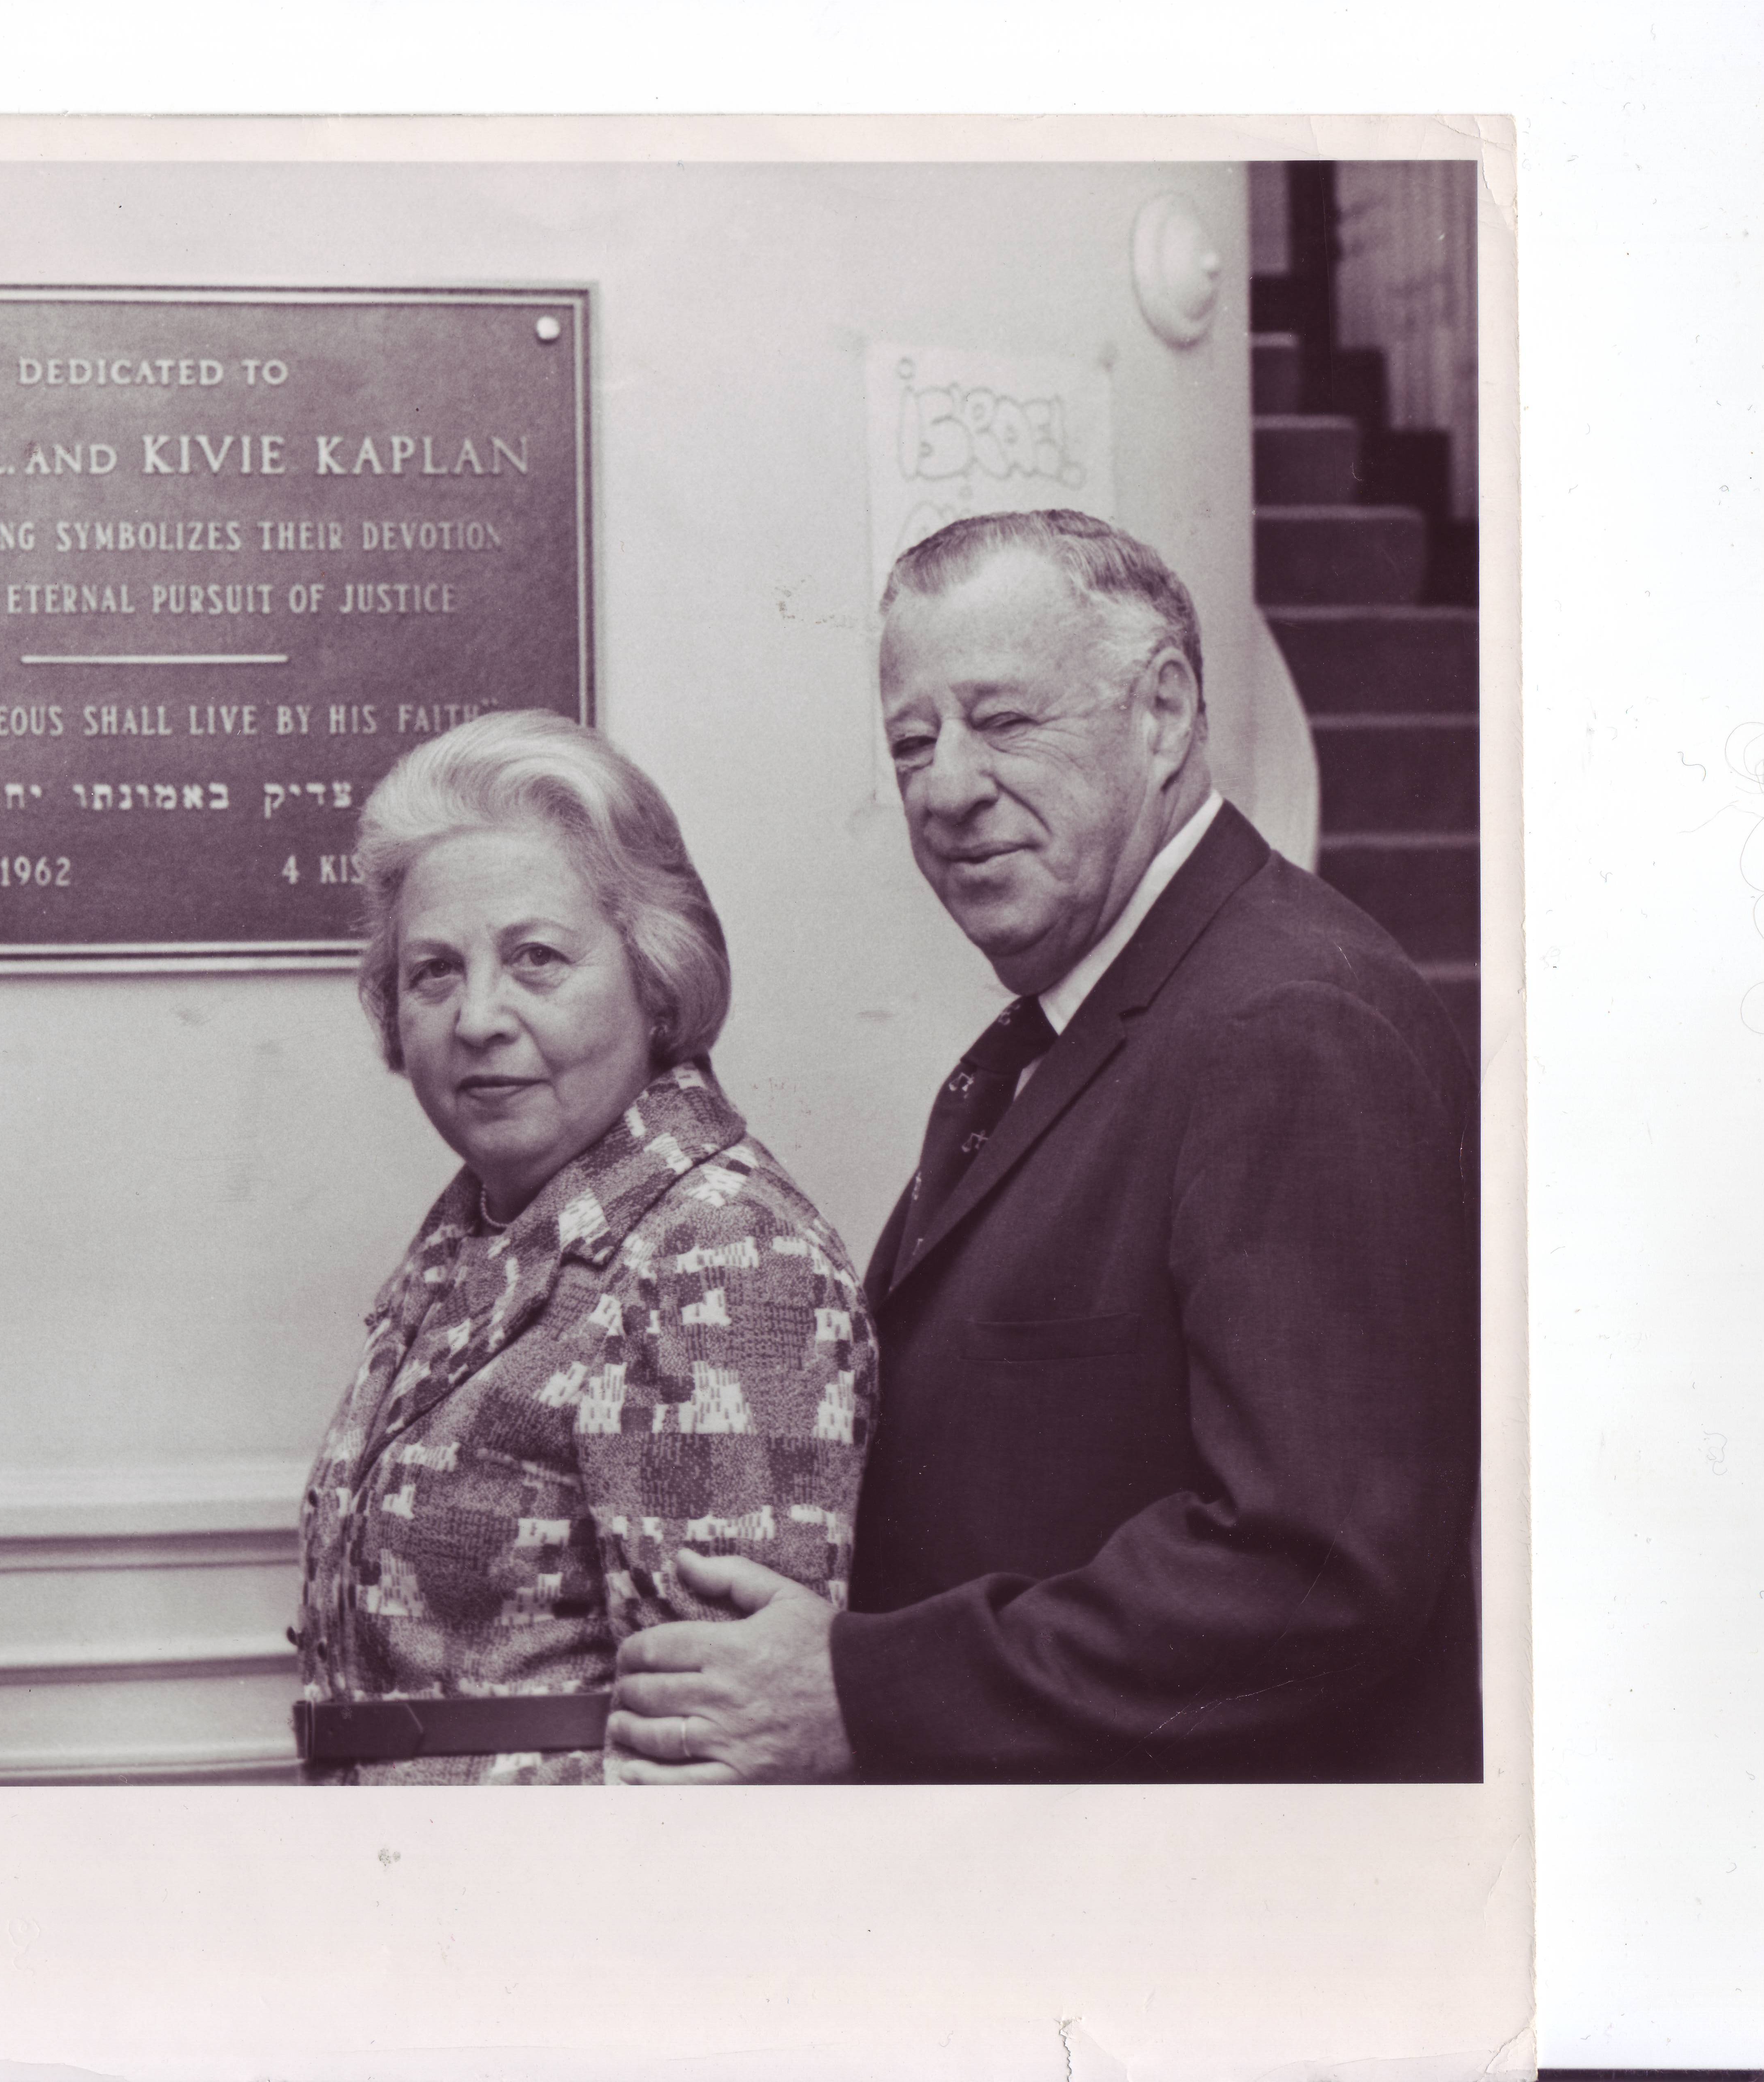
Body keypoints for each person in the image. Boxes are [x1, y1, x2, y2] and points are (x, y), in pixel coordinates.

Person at [609, 509, 1480, 1782]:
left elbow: (1312, 1573)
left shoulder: (1294, 1021)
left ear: (1167, 713)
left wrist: (864, 1692)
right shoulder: (1068, 1032)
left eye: (1005, 722)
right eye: (913, 742)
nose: (946, 788)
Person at [292, 710, 875, 1784]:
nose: (477, 1018)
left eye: (536, 960)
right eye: (432, 973)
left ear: (657, 980)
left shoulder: (716, 1254)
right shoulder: (483, 1232)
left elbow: (712, 1771)